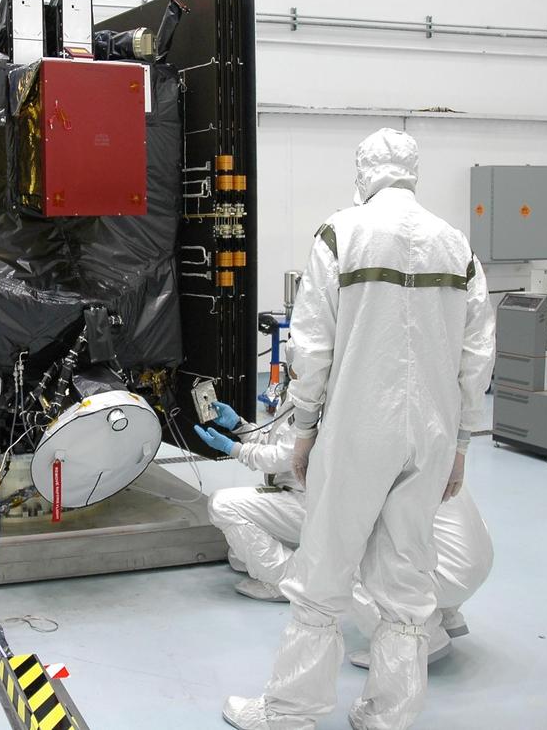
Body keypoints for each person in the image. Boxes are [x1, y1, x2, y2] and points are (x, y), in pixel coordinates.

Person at [208, 128, 495, 730]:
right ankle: (389, 715)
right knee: (406, 581)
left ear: (364, 172)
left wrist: (304, 428)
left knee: (324, 572)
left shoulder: (342, 233)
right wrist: (463, 442)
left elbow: (312, 344)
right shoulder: (456, 246)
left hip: (361, 429)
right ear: (412, 172)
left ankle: (291, 711)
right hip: (432, 434)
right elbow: (477, 357)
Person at [196, 396, 493, 669]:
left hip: (444, 569)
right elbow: (285, 442)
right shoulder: (413, 427)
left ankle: (419, 640)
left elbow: (290, 457)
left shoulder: (359, 423)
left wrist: (235, 448)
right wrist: (240, 427)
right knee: (242, 556)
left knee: (350, 562)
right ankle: (444, 615)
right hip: (470, 560)